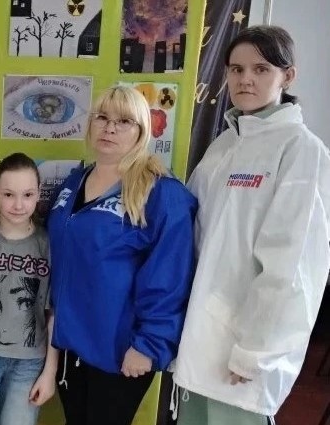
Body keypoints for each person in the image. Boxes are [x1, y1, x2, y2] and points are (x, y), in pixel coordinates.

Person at [173, 25, 330, 425]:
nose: (245, 79)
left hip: (243, 352)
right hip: (199, 337)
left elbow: (292, 266)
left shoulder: (300, 150)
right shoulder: (224, 145)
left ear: (287, 76)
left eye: (261, 69)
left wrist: (256, 352)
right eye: (236, 69)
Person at [47, 85, 197, 425]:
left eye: (124, 121)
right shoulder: (73, 182)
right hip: (71, 343)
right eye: (102, 117)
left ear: (141, 132)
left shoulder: (161, 193)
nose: (109, 128)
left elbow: (170, 276)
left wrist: (149, 344)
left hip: (121, 349)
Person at [0, 152, 58, 425]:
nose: (18, 205)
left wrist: (50, 372)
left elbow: (54, 313)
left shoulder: (49, 244)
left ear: (39, 193)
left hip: (29, 362)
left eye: (28, 195)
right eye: (8, 195)